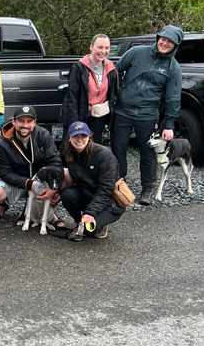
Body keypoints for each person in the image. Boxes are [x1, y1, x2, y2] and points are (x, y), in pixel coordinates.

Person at [111, 25, 184, 205]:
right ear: (158, 38)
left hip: (147, 114)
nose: (165, 43)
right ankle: (119, 184)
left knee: (148, 151)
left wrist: (169, 125)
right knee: (118, 149)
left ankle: (147, 188)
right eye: (163, 39)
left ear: (176, 45)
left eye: (170, 42)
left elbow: (173, 97)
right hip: (123, 110)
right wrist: (119, 93)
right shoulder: (136, 52)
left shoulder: (173, 68)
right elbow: (116, 71)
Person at [0, 105, 64, 225]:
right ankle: (3, 205)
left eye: (29, 121)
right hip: (17, 182)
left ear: (34, 122)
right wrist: (28, 183)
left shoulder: (43, 135)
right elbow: (4, 173)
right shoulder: (2, 143)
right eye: (21, 121)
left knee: (67, 175)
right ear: (14, 121)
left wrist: (54, 188)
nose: (25, 125)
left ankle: (49, 211)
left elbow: (55, 162)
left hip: (41, 181)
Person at [61, 121, 125, 241]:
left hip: (110, 201)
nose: (79, 140)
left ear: (89, 137)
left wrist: (90, 212)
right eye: (75, 136)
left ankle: (98, 223)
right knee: (66, 195)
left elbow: (106, 190)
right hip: (88, 195)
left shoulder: (104, 156)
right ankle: (80, 223)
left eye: (83, 136)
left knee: (91, 231)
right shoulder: (67, 155)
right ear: (69, 138)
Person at [60, 34, 117, 145]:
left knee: (93, 148)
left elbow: (113, 93)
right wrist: (75, 124)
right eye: (100, 47)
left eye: (107, 48)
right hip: (80, 114)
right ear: (91, 47)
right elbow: (72, 98)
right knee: (74, 147)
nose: (103, 51)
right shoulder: (79, 67)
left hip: (98, 116)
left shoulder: (110, 68)